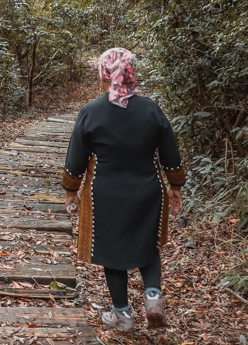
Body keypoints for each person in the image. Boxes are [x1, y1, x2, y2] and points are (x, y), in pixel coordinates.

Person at [61, 48, 185, 331]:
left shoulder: (91, 112)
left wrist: (71, 190)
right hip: (147, 190)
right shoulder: (151, 109)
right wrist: (175, 185)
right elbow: (170, 154)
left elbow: (76, 157)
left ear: (103, 74)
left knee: (112, 251)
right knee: (149, 242)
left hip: (106, 193)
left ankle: (123, 314)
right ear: (131, 72)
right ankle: (153, 297)